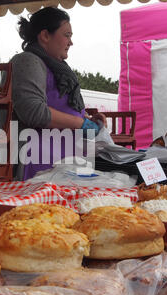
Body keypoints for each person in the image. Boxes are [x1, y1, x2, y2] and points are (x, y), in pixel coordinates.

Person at [11, 6, 106, 181]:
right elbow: (33, 111)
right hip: (40, 159)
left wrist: (87, 119)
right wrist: (80, 122)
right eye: (67, 35)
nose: (71, 42)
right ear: (45, 36)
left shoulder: (56, 67)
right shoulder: (28, 60)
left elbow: (58, 105)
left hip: (66, 157)